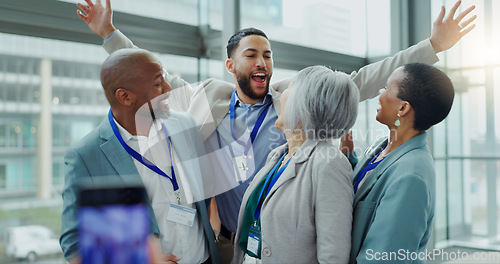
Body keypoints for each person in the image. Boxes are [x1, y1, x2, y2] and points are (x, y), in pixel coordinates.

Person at [75, 0, 475, 262]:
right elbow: (152, 75)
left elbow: (363, 80)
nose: (262, 61)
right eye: (251, 55)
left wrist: (432, 46)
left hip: (287, 247)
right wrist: (110, 35)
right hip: (229, 244)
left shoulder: (295, 100)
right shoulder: (206, 98)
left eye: (267, 54)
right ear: (231, 66)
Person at [59, 48, 220, 264]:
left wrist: (214, 215)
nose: (168, 89)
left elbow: (205, 183)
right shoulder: (85, 155)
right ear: (125, 97)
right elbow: (74, 245)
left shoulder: (185, 124)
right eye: (157, 84)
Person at [232, 66, 358, 263]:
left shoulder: (329, 163)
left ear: (305, 103)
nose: (280, 94)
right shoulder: (279, 155)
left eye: (290, 86)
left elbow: (334, 255)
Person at [344, 63, 455, 264]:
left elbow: (382, 259)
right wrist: (349, 157)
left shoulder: (411, 176)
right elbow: (365, 190)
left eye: (386, 88)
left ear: (403, 107)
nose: (380, 92)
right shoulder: (383, 145)